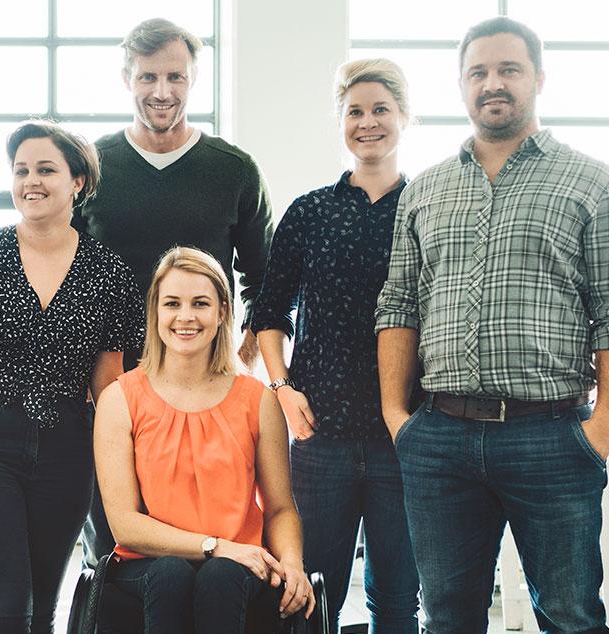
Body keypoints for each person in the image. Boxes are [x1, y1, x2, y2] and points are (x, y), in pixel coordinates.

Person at [374, 17, 609, 634]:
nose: (492, 83)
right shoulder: (426, 190)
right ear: (462, 85)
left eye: (509, 69)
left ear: (539, 79)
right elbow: (398, 306)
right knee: (446, 618)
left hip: (550, 436)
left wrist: (601, 430)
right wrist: (398, 418)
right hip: (439, 437)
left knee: (571, 616)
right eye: (479, 72)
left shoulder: (597, 183)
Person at [73, 16, 275, 564]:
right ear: (127, 79)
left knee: (209, 533)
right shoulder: (92, 167)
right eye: (147, 78)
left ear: (192, 80)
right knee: (116, 544)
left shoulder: (234, 169)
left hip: (204, 384)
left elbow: (267, 280)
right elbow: (68, 274)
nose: (162, 92)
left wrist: (239, 357)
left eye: (175, 78)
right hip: (113, 385)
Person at [0, 121, 143, 634]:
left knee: (42, 614)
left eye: (46, 169)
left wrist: (120, 468)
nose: (31, 180)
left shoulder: (108, 271)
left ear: (77, 181)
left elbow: (109, 383)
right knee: (5, 612)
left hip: (68, 447)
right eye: (21, 170)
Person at [247, 58, 420, 633]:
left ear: (404, 118)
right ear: (340, 123)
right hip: (320, 433)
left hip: (406, 433)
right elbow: (269, 313)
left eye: (380, 110)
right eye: (354, 112)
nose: (367, 123)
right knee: (311, 593)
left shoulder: (428, 208)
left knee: (398, 599)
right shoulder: (310, 211)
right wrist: (282, 387)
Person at [94, 246, 315, 634]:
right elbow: (125, 526)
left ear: (222, 313)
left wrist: (293, 563)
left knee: (220, 576)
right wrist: (215, 545)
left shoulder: (256, 399)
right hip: (148, 564)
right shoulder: (120, 398)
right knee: (172, 573)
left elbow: (280, 508)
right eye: (172, 303)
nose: (185, 317)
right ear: (155, 313)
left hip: (237, 566)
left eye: (200, 303)